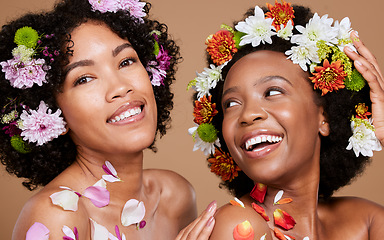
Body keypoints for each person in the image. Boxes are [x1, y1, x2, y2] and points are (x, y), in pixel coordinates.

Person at [0, 0, 215, 239]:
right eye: (84, 79)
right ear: (51, 113)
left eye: (126, 62)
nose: (120, 87)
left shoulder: (175, 195)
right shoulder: (56, 214)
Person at [188, 1, 384, 239]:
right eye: (231, 104)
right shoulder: (238, 225)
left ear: (325, 116)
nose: (248, 115)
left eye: (272, 92)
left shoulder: (366, 220)